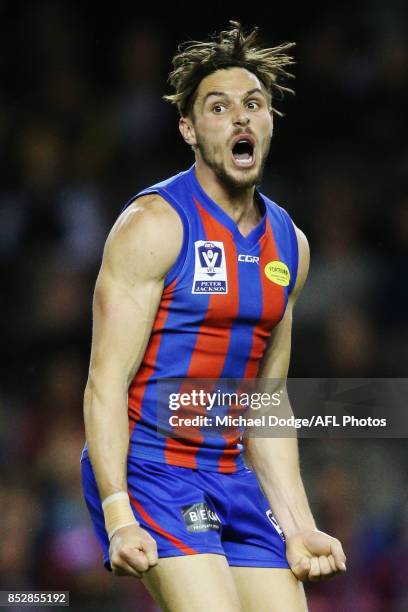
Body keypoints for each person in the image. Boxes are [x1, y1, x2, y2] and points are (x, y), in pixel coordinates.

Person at [81, 21, 347, 611]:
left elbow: (266, 401)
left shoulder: (291, 246)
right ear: (190, 130)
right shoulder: (153, 225)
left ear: (271, 121)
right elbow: (104, 384)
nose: (240, 118)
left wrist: (299, 524)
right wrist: (118, 511)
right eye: (219, 108)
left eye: (254, 105)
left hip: (233, 478)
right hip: (155, 467)